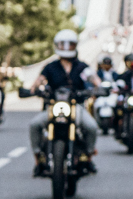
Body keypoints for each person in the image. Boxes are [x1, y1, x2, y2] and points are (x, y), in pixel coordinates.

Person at [31, 28, 100, 169]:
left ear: (75, 45)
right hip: (54, 106)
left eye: (70, 44)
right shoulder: (50, 67)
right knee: (34, 124)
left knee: (92, 127)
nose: (67, 48)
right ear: (57, 45)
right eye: (63, 44)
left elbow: (94, 79)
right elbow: (39, 80)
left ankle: (88, 156)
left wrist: (99, 87)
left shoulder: (82, 66)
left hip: (76, 106)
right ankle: (38, 158)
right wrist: (34, 88)